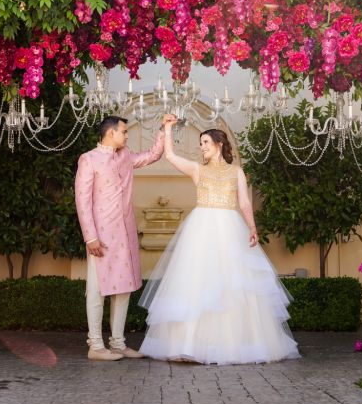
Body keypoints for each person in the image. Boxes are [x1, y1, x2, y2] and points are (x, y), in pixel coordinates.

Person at [138, 121, 299, 364]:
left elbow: (244, 202)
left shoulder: (236, 172)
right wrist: (168, 128)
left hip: (229, 227)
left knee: (232, 284)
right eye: (200, 143)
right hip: (201, 228)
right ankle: (189, 344)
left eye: (205, 143)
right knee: (198, 282)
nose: (201, 147)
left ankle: (234, 343)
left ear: (219, 144)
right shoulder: (196, 170)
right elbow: (169, 155)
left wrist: (253, 227)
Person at [74, 113, 176, 361]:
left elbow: (152, 154)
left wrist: (163, 130)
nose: (127, 135)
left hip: (125, 234)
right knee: (97, 290)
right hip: (101, 237)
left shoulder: (126, 157)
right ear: (111, 133)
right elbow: (82, 201)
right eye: (124, 131)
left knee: (124, 289)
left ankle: (118, 343)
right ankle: (96, 346)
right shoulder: (89, 159)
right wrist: (90, 238)